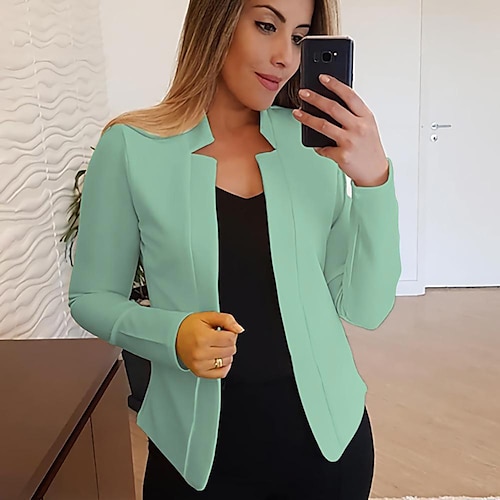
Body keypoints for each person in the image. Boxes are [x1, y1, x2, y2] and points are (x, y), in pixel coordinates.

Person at [68, 0, 402, 498]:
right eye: (266, 25)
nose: (285, 56)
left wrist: (374, 182)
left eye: (299, 36)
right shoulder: (132, 146)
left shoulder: (315, 148)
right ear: (216, 21)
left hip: (327, 447)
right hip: (194, 456)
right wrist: (172, 334)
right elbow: (90, 297)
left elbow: (365, 307)